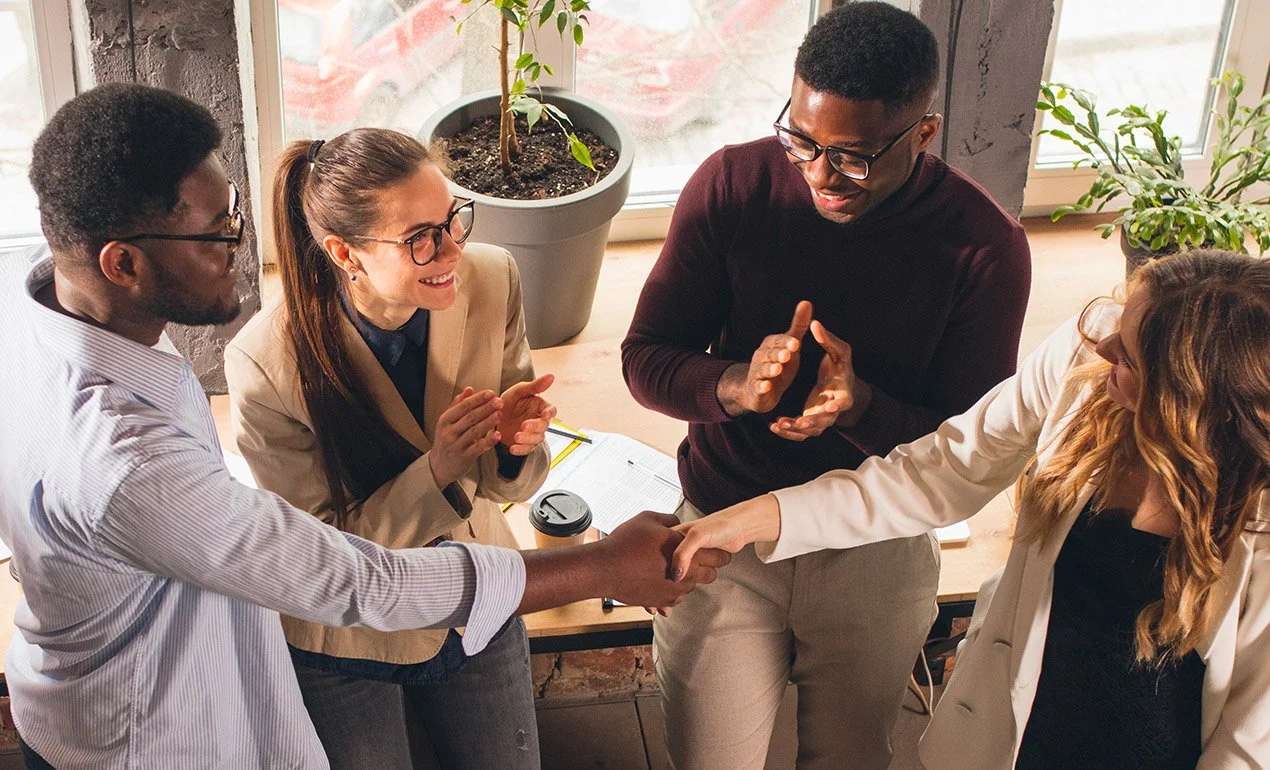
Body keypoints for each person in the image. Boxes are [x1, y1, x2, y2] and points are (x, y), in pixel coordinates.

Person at [0, 82, 726, 769]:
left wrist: (508, 450)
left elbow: (500, 486)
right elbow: (354, 581)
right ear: (122, 262)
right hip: (151, 733)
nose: (238, 248)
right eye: (215, 234)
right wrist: (601, 566)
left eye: (233, 215)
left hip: (164, 678)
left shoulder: (42, 303)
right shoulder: (137, 458)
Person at [620, 3, 1031, 767]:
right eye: (801, 140)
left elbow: (966, 450)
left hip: (875, 543)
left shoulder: (985, 248)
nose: (817, 173)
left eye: (853, 156)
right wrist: (736, 384)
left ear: (925, 134)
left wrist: (863, 408)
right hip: (724, 524)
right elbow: (645, 358)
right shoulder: (736, 183)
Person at [671, 249, 1270, 768]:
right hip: (1014, 730)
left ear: (1190, 409)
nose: (1106, 343)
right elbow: (946, 469)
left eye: (1131, 355)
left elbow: (1248, 749)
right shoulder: (1086, 362)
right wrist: (756, 516)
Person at [222, 127, 551, 768]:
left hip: (471, 589)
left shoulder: (492, 279)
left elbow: (508, 482)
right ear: (346, 254)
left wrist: (512, 447)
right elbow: (321, 556)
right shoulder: (264, 366)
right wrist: (440, 470)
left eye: (453, 218)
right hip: (347, 635)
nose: (451, 249)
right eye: (419, 239)